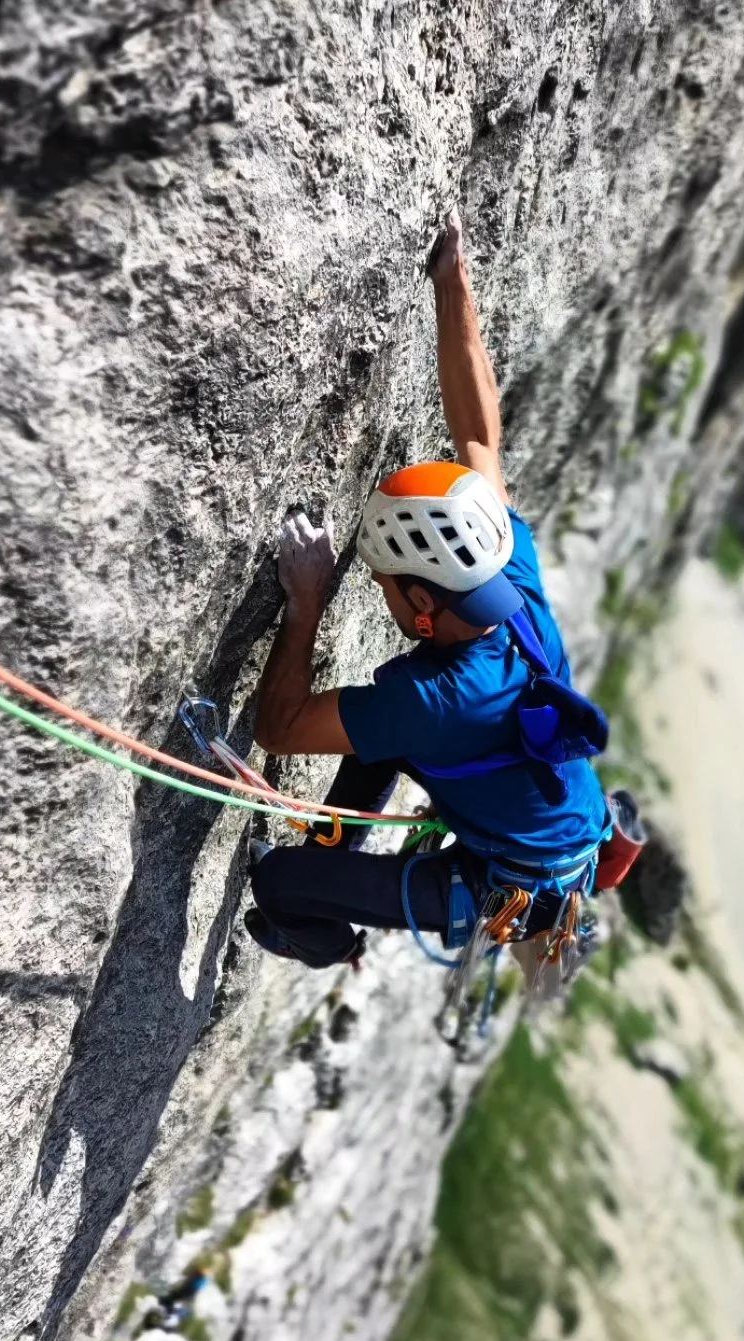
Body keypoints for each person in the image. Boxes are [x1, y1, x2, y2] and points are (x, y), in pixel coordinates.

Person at [245, 210, 610, 969]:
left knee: (276, 884)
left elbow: (278, 728)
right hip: (554, 833)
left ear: (420, 611)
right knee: (381, 737)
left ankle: (328, 942)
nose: (373, 586)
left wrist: (306, 603)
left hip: (495, 889)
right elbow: (480, 435)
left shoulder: (434, 699)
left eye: (381, 582)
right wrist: (453, 283)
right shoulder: (508, 564)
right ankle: (333, 848)